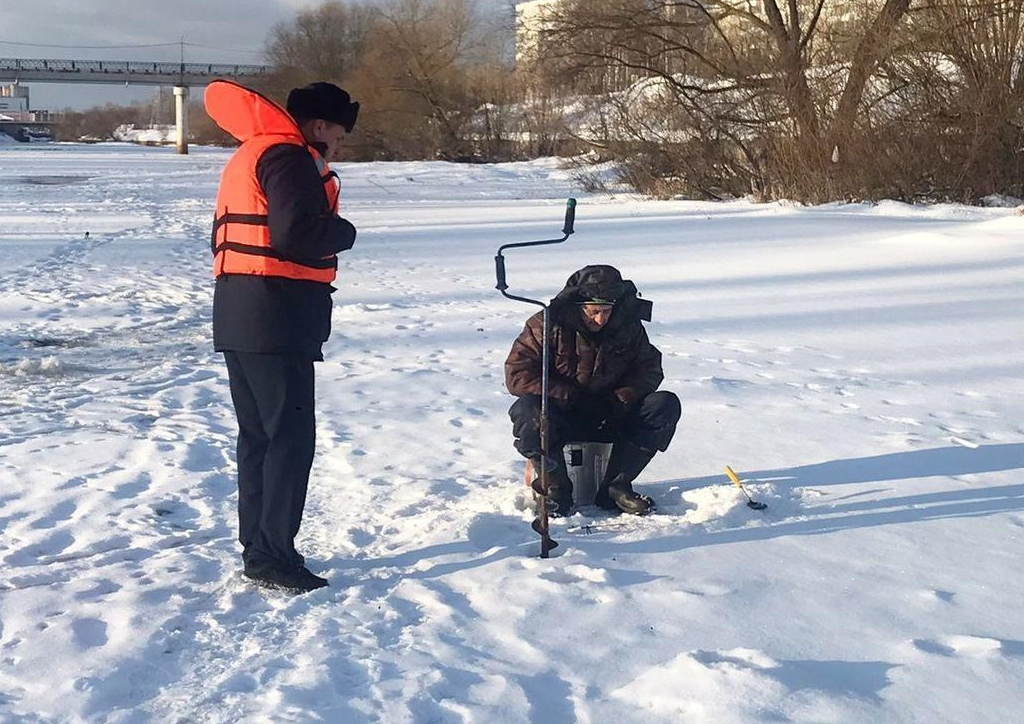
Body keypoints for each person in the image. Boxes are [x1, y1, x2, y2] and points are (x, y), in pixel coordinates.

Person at [204, 80, 359, 592]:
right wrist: (344, 232)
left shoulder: (251, 152)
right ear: (319, 126)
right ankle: (274, 556)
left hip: (239, 313)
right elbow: (296, 235)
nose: (341, 143)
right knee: (289, 441)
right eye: (339, 131)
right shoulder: (289, 156)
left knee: (259, 440)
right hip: (276, 317)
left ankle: (259, 547)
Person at [505, 265, 681, 516]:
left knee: (663, 404)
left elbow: (649, 370)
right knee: (527, 409)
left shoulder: (629, 327)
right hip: (560, 416)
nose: (601, 319)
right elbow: (517, 374)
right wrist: (568, 396)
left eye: (607, 310)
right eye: (594, 311)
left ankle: (616, 487)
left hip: (611, 413)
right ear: (579, 306)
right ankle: (556, 489)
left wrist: (618, 399)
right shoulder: (546, 324)